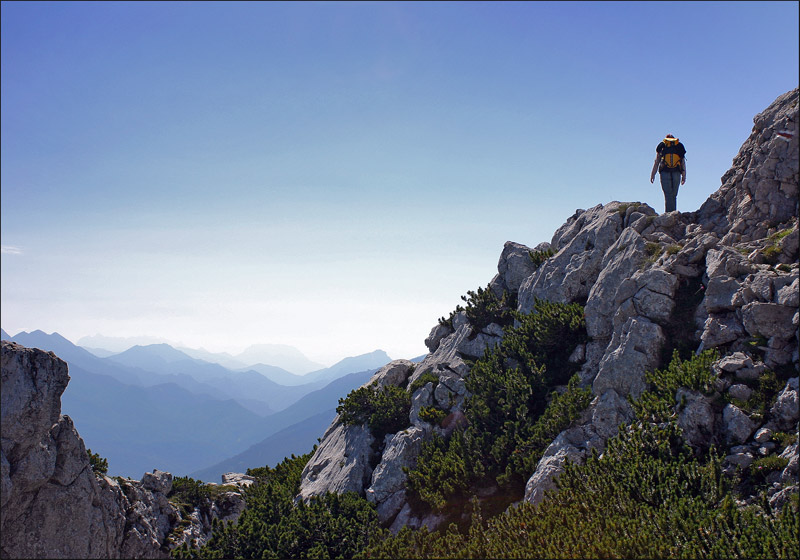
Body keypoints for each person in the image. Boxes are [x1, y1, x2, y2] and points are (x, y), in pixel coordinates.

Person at [650, 134, 686, 212]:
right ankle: (673, 213)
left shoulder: (663, 146)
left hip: (664, 172)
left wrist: (653, 174)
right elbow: (682, 162)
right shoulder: (678, 147)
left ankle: (669, 214)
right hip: (676, 172)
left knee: (668, 194)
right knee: (674, 195)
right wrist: (684, 176)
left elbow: (657, 162)